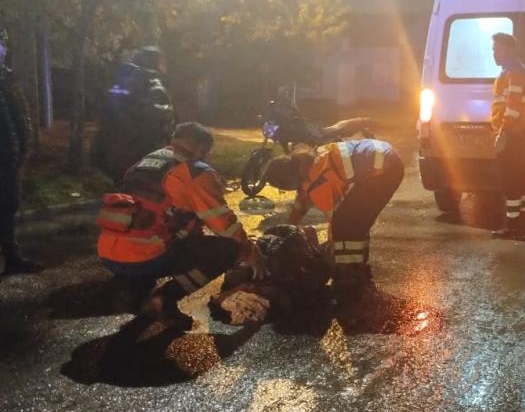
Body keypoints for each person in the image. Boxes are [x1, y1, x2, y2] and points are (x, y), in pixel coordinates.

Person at [96, 122, 260, 328]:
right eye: (207, 153)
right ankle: (165, 298)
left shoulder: (144, 163)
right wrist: (248, 250)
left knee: (169, 236)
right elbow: (224, 226)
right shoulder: (194, 172)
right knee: (229, 250)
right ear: (201, 149)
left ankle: (134, 290)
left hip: (109, 255)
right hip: (144, 257)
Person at [276, 139, 404, 303]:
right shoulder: (313, 160)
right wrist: (289, 228)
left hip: (382, 171)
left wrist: (330, 253)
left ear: (291, 179)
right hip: (386, 158)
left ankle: (350, 279)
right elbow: (301, 198)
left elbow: (334, 220)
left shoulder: (319, 182)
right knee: (356, 222)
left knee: (345, 227)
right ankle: (359, 271)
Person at [92, 46, 176, 184]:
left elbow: (106, 109)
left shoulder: (124, 81)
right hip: (139, 152)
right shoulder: (154, 86)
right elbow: (161, 123)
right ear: (157, 63)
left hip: (113, 150)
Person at [0, 28, 41, 276]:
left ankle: (12, 257)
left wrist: (22, 151)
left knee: (8, 208)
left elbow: (17, 117)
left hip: (10, 160)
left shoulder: (6, 78)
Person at [490, 33, 525, 239]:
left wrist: (503, 132)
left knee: (510, 179)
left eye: (496, 49)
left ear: (508, 49)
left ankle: (514, 226)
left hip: (512, 134)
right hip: (517, 133)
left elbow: (513, 107)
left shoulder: (514, 73)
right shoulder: (513, 70)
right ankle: (522, 220)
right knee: (520, 177)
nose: (494, 54)